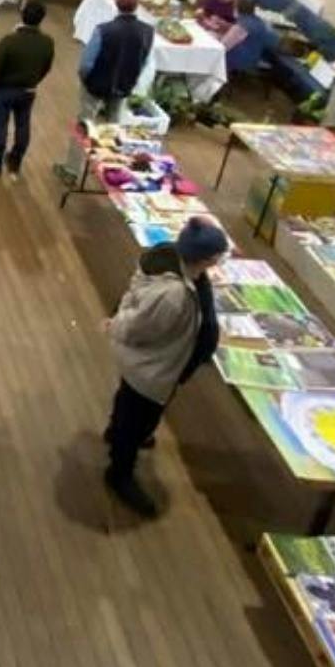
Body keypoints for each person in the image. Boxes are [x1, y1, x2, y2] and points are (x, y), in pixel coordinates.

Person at [102, 217, 224, 516]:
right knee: (137, 417)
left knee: (129, 406)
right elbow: (138, 326)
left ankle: (117, 433)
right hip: (151, 370)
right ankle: (119, 473)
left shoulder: (173, 268)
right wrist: (115, 326)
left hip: (151, 367)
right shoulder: (173, 296)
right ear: (208, 259)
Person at [0, 0, 55, 176]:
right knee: (23, 126)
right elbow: (46, 67)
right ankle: (15, 160)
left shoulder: (10, 41)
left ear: (22, 16)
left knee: (0, 126)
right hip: (28, 91)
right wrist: (33, 81)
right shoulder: (47, 42)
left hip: (4, 91)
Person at [78, 0, 154, 123]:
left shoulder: (103, 30)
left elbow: (86, 64)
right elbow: (144, 60)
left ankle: (81, 144)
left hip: (96, 84)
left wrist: (85, 79)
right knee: (114, 122)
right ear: (136, 7)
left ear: (116, 5)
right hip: (124, 85)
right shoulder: (148, 31)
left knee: (86, 121)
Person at [222, 0, 280, 75]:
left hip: (235, 61)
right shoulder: (261, 22)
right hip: (252, 60)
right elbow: (273, 41)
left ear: (236, 9)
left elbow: (224, 46)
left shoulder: (241, 26)